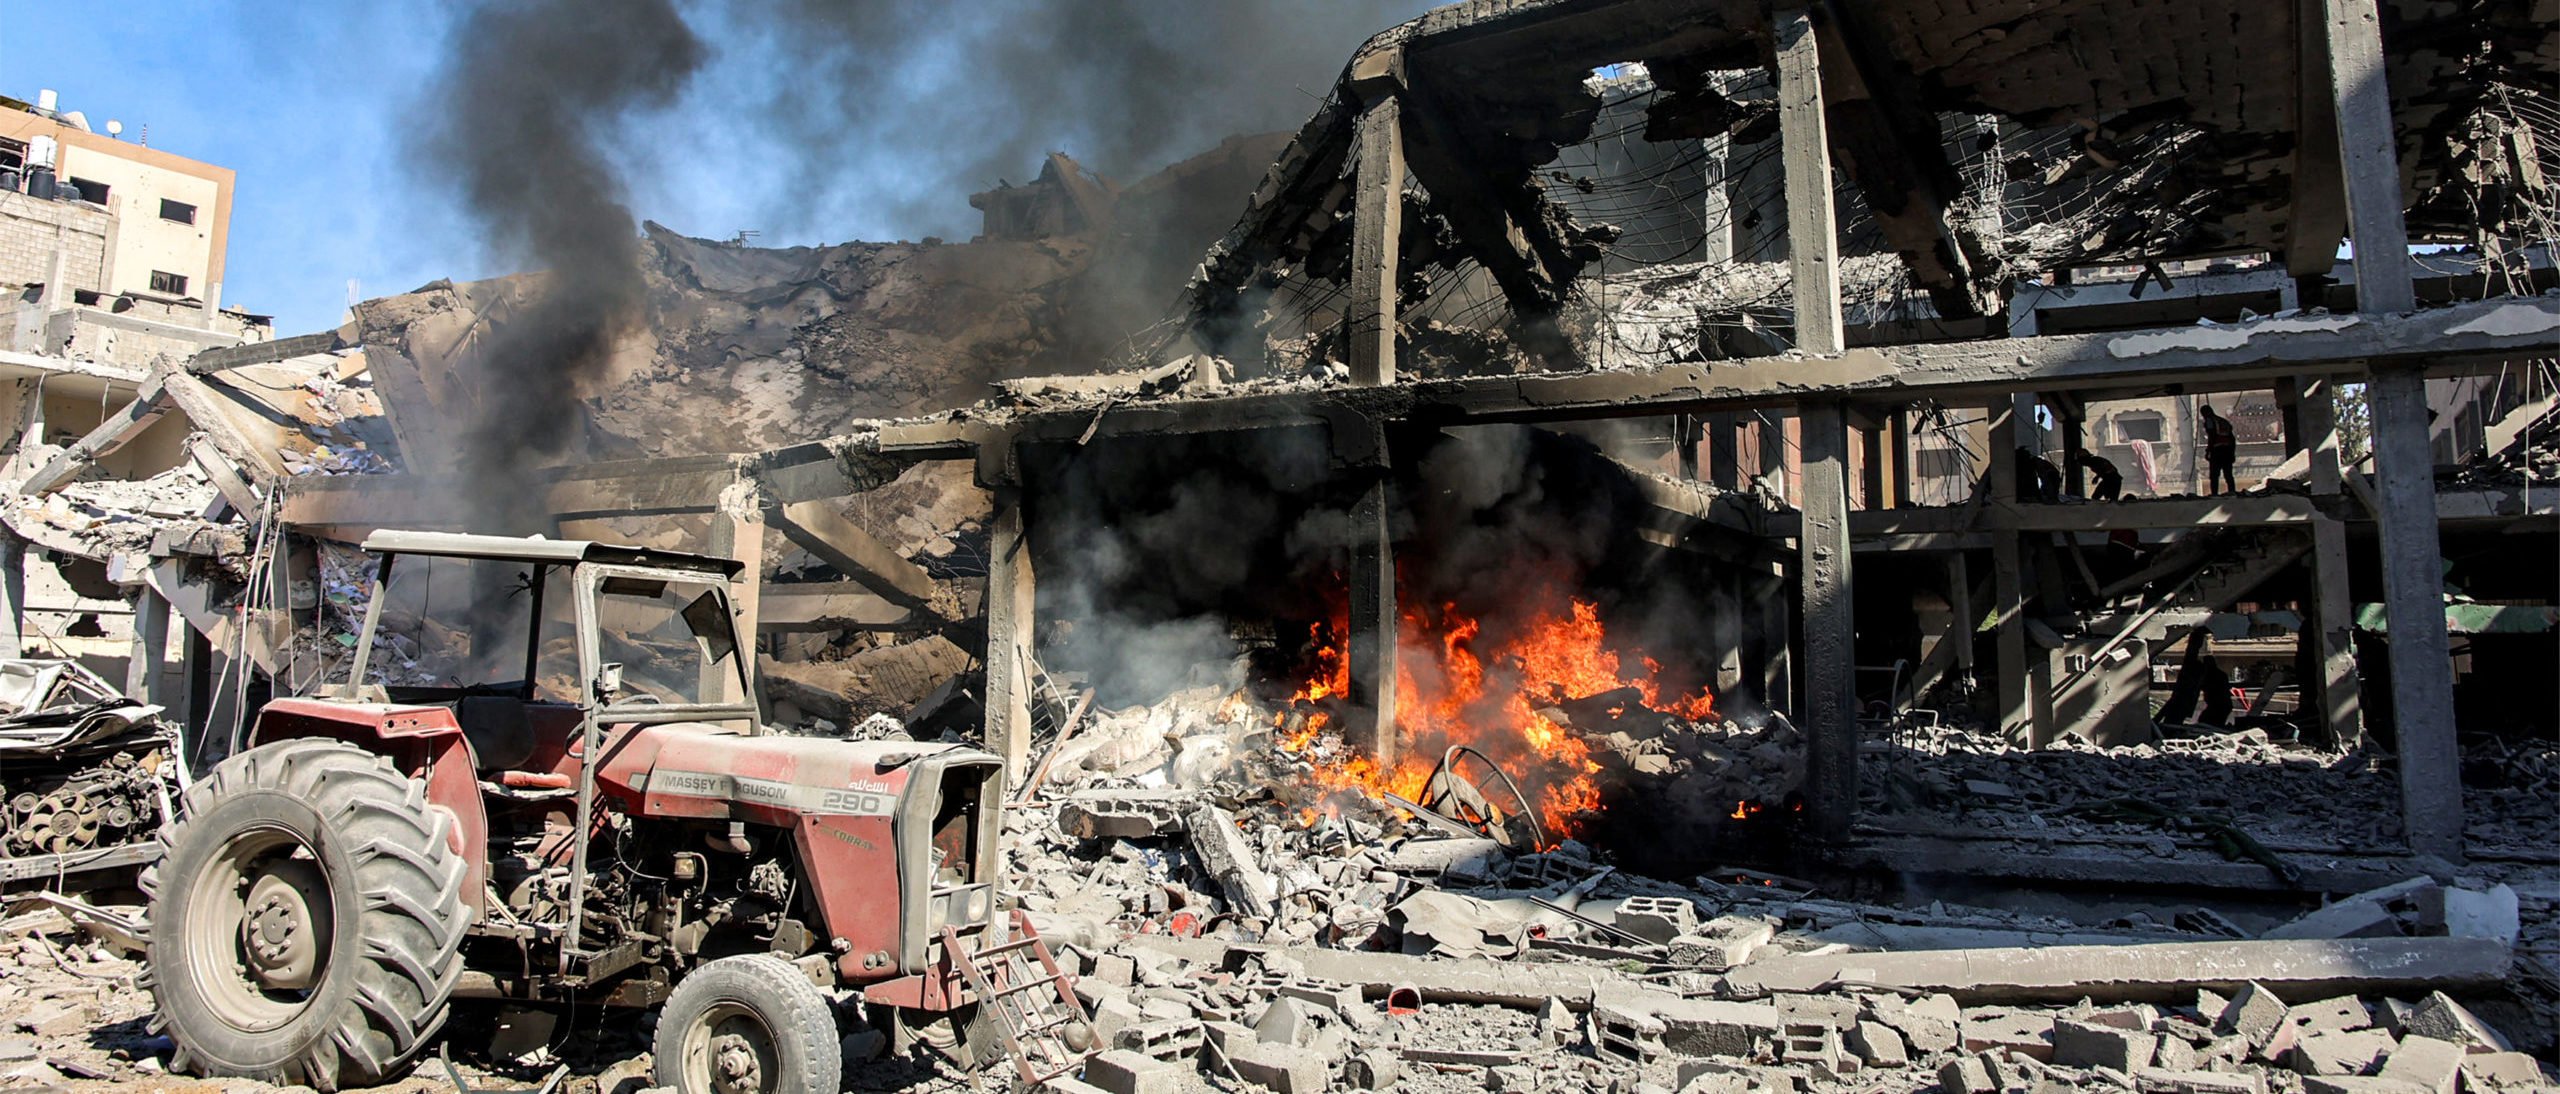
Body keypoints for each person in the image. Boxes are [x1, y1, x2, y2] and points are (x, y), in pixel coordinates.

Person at [2199, 403, 2238, 495]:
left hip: (2217, 451)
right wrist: (2232, 453)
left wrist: (2208, 451)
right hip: (2228, 451)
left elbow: (2212, 436)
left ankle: (2214, 493)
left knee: (2214, 475)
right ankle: (2232, 492)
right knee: (2228, 474)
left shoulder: (2209, 421)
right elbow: (2232, 439)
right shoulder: (2223, 421)